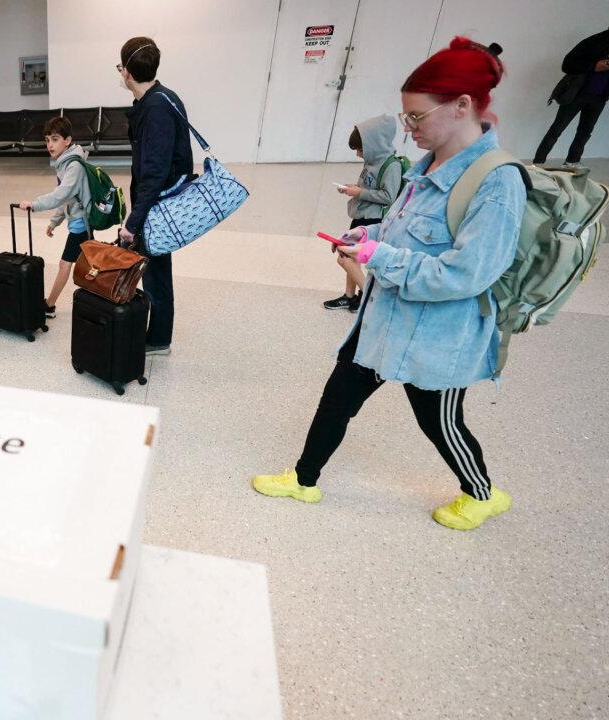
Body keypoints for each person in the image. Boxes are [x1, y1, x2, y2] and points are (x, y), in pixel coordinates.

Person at [252, 37, 526, 531]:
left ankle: (482, 493)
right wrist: (368, 234)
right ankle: (304, 479)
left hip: (437, 339)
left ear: (462, 106)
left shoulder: (497, 182)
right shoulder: (429, 165)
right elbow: (404, 228)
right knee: (338, 395)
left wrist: (381, 256)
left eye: (417, 117)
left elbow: (466, 274)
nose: (409, 129)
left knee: (439, 422)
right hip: (383, 320)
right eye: (407, 118)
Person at [116, 36, 192, 356]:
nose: (120, 74)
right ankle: (157, 333)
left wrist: (133, 222)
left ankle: (159, 339)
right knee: (155, 266)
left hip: (159, 206)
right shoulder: (160, 99)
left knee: (157, 271)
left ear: (127, 73)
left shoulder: (156, 108)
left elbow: (154, 174)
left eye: (120, 67)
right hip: (157, 202)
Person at [324, 115, 402, 313]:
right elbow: (367, 185)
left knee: (347, 258)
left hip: (373, 220)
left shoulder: (391, 165)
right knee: (350, 257)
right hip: (361, 217)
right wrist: (353, 188)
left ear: (374, 144)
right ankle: (349, 296)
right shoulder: (371, 161)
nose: (359, 154)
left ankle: (368, 298)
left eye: (361, 149)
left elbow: (389, 196)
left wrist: (359, 192)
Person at [18, 116, 91, 318]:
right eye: (48, 140)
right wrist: (54, 222)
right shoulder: (63, 163)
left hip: (82, 224)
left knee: (65, 264)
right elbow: (67, 198)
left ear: (67, 140)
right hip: (79, 220)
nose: (50, 144)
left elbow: (61, 195)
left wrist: (34, 204)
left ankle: (49, 305)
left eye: (55, 139)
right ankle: (98, 297)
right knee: (89, 262)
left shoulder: (73, 166)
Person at [533, 27, 609, 167]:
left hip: (600, 97)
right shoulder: (593, 42)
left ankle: (572, 161)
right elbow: (567, 64)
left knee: (585, 132)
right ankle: (538, 163)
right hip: (577, 94)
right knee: (557, 129)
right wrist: (594, 66)